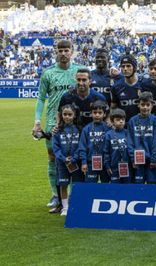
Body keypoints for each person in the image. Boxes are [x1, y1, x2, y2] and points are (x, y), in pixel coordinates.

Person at [32, 40, 84, 212]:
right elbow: (41, 98)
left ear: (71, 51)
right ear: (56, 52)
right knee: (53, 159)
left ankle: (74, 196)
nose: (63, 53)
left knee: (75, 157)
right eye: (60, 50)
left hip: (75, 124)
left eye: (66, 50)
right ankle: (56, 194)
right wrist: (37, 121)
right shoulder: (48, 73)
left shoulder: (78, 71)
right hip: (54, 124)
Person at [52, 104, 83, 216]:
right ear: (61, 115)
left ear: (74, 115)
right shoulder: (57, 131)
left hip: (75, 163)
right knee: (63, 184)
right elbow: (55, 148)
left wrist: (74, 158)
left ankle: (74, 205)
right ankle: (65, 207)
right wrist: (63, 158)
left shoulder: (79, 129)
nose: (67, 117)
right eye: (65, 114)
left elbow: (81, 146)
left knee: (76, 184)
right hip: (62, 163)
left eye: (70, 114)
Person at [127, 91, 156, 184]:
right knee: (138, 187)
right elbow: (130, 141)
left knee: (152, 186)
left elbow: (155, 141)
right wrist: (133, 159)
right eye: (142, 104)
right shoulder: (132, 121)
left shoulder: (155, 121)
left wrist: (154, 159)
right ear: (138, 105)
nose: (145, 107)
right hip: (137, 161)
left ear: (152, 105)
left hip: (151, 161)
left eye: (147, 105)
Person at [78, 100, 111, 183]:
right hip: (90, 163)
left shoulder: (108, 128)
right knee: (90, 188)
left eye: (100, 113)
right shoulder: (86, 129)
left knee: (105, 187)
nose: (97, 115)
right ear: (91, 113)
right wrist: (84, 162)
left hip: (105, 164)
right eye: (94, 112)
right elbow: (82, 147)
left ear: (104, 114)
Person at [111, 54, 142, 122]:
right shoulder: (116, 87)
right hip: (123, 126)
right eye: (123, 66)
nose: (125, 69)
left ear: (135, 67)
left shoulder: (143, 84)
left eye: (128, 66)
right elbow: (113, 108)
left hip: (141, 126)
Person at [103, 108, 131, 184]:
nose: (121, 121)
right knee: (115, 189)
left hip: (127, 167)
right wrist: (107, 166)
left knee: (127, 189)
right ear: (112, 122)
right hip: (114, 167)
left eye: (123, 119)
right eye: (118, 120)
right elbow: (106, 152)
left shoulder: (128, 133)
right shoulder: (108, 135)